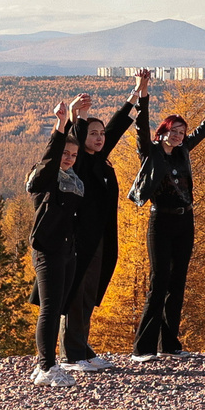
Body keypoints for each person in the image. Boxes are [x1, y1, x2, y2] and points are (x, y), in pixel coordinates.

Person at [125, 86, 205, 361]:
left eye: (182, 132)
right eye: (174, 131)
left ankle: (169, 344)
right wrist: (143, 94)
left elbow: (202, 131)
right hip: (160, 221)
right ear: (163, 131)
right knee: (159, 283)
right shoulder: (151, 152)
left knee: (177, 283)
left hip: (186, 221)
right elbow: (141, 125)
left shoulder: (183, 152)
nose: (179, 136)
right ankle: (143, 348)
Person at [58, 78, 138, 374]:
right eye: (94, 133)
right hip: (80, 240)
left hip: (100, 238)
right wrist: (76, 118)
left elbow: (116, 130)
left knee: (89, 294)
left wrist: (133, 98)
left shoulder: (100, 161)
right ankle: (72, 353)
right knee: (76, 293)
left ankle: (82, 346)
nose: (101, 137)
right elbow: (72, 140)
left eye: (101, 134)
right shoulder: (78, 162)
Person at [24, 109, 91, 386]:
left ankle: (45, 364)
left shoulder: (74, 180)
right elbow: (51, 157)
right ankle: (46, 367)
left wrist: (81, 118)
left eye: (73, 155)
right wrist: (60, 126)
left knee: (58, 306)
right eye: (65, 154)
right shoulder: (45, 178)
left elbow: (78, 149)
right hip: (47, 249)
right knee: (49, 308)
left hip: (67, 250)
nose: (69, 158)